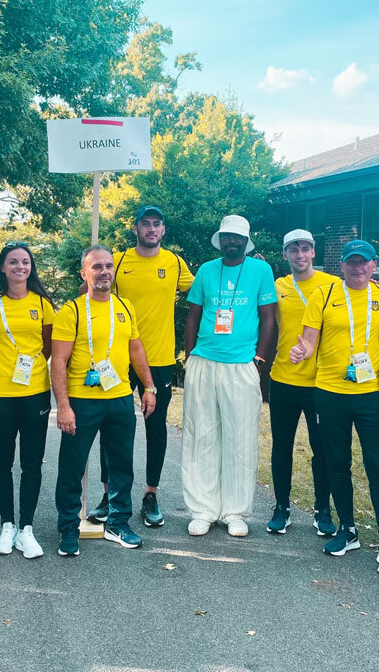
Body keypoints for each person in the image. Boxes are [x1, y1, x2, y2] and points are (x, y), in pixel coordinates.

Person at [290, 240, 379, 575]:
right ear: (341, 265)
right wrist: (301, 352)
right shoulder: (323, 295)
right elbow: (309, 341)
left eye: (363, 262)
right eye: (351, 262)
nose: (357, 268)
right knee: (337, 464)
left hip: (370, 394)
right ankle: (347, 529)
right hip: (330, 393)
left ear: (374, 265)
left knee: (377, 465)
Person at [88, 205, 194, 528]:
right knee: (112, 427)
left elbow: (205, 291)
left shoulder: (175, 263)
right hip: (119, 358)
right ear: (135, 228)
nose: (151, 228)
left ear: (163, 230)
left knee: (156, 427)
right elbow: (93, 288)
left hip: (159, 358)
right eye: (145, 223)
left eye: (156, 224)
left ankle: (151, 494)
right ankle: (110, 494)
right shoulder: (118, 262)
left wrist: (246, 268)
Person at [51, 245, 156, 557]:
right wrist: (63, 406)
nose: (104, 271)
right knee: (72, 467)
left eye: (108, 266)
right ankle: (68, 526)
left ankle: (118, 523)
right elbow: (59, 362)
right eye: (97, 267)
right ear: (84, 273)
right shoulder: (71, 311)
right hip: (82, 401)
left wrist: (149, 386)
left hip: (120, 398)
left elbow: (136, 349)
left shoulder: (124, 307)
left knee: (121, 465)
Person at [182, 215, 277, 538]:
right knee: (201, 436)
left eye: (237, 237)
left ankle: (235, 512)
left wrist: (259, 360)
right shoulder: (206, 270)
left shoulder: (261, 270)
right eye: (226, 237)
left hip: (242, 364)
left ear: (246, 241)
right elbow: (193, 317)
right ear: (220, 240)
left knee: (240, 439)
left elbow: (268, 319)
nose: (231, 242)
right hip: (205, 361)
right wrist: (190, 357)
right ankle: (203, 510)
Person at [0, 242, 55, 559]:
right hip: (1, 394)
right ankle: (7, 526)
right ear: (2, 268)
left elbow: (47, 346)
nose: (20, 267)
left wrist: (31, 368)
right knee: (1, 462)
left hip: (35, 392)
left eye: (25, 262)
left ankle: (27, 529)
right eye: (13, 262)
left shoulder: (42, 303)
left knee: (32, 463)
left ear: (31, 267)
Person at [266, 229, 337, 536]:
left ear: (313, 252)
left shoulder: (333, 285)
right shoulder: (277, 286)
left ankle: (323, 509)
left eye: (305, 248)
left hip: (322, 382)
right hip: (283, 378)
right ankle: (281, 507)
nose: (300, 254)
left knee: (322, 449)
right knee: (281, 446)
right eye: (293, 249)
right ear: (285, 254)